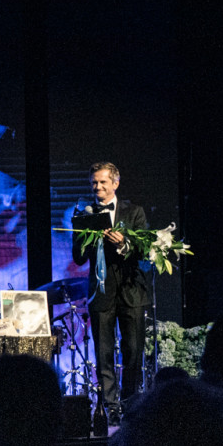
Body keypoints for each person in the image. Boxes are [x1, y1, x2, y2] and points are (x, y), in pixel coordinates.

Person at [72, 161, 150, 421]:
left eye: (103, 182)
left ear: (115, 183)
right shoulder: (84, 214)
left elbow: (145, 251)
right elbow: (78, 258)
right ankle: (110, 407)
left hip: (131, 291)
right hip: (101, 293)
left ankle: (130, 403)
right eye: (94, 182)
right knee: (103, 353)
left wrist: (124, 243)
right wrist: (86, 236)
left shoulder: (134, 212)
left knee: (133, 351)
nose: (98, 187)